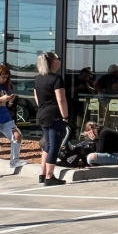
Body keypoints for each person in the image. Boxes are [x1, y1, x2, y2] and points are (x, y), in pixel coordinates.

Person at [35, 51, 70, 187]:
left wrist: (43, 108)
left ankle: (42, 173)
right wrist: (65, 117)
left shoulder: (38, 78)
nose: (59, 61)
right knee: (54, 146)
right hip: (54, 115)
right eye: (58, 59)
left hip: (43, 114)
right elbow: (61, 99)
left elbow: (37, 98)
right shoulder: (56, 79)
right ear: (53, 62)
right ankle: (50, 177)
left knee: (48, 144)